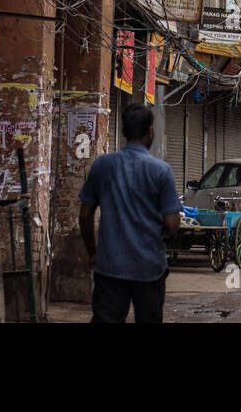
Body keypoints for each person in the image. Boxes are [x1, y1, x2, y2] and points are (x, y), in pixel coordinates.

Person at [78, 104, 181, 323]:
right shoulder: (161, 171)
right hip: (150, 267)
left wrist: (92, 252)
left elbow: (85, 215)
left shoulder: (103, 165)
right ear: (150, 132)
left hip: (110, 265)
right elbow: (172, 223)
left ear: (123, 131)